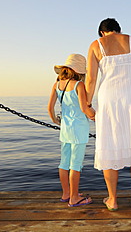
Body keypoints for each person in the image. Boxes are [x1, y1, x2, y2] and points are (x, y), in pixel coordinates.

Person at [85, 18, 131, 211]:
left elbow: (91, 79)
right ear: (118, 30)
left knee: (110, 144)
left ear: (101, 33)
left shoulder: (96, 45)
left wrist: (88, 104)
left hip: (109, 98)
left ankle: (113, 199)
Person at [47, 54, 95, 207]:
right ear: (78, 70)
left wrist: (56, 120)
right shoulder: (78, 85)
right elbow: (84, 108)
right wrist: (95, 116)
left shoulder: (57, 84)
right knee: (76, 164)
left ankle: (66, 193)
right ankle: (74, 198)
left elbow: (49, 107)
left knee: (64, 163)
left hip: (65, 129)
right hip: (79, 130)